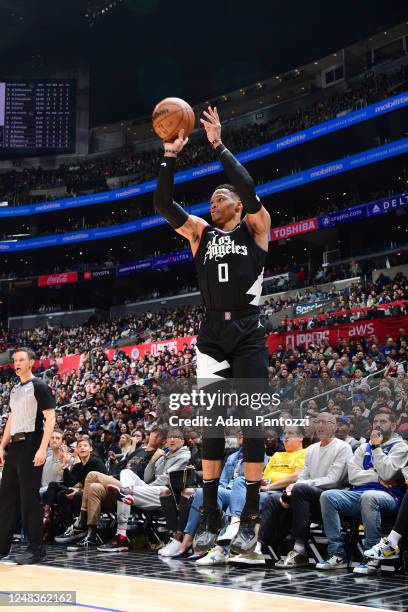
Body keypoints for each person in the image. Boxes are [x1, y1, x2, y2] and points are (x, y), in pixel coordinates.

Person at [153, 105, 271, 555]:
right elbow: (164, 205)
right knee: (213, 426)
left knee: (252, 423)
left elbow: (249, 186)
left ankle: (253, 515)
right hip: (211, 334)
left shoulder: (257, 228)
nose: (212, 203)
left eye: (220, 199)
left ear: (237, 206)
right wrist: (170, 155)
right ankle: (211, 515)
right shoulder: (200, 232)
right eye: (212, 199)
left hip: (247, 330)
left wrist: (219, 145)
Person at [245, 413, 352, 568]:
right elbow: (303, 476)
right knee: (274, 499)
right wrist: (290, 489)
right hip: (306, 496)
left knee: (300, 488)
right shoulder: (311, 449)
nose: (320, 425)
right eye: (318, 422)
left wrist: (301, 485)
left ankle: (299, 550)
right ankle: (258, 549)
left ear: (334, 427)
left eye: (325, 422)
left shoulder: (343, 447)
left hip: (331, 496)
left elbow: (334, 479)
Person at [317, 411, 408, 574]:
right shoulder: (363, 447)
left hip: (390, 497)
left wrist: (376, 447)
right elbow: (353, 476)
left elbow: (388, 473)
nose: (378, 424)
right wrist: (376, 478)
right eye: (375, 421)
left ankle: (371, 556)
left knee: (369, 497)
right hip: (359, 494)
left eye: (383, 421)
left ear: (394, 426)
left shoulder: (400, 447)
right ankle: (337, 555)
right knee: (328, 496)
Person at [0, 347, 56, 564]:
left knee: (29, 499)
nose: (17, 363)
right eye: (15, 360)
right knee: (6, 499)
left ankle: (36, 549)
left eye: (21, 360)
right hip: (14, 446)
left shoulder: (39, 386)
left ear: (31, 362)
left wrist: (43, 448)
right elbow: (11, 421)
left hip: (32, 443)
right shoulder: (14, 390)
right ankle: (2, 547)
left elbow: (50, 419)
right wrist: (2, 446)